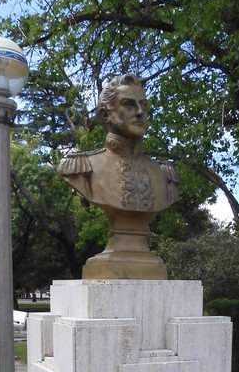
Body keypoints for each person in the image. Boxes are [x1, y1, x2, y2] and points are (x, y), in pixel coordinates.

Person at [57, 75, 179, 278]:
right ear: (106, 114)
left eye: (143, 105)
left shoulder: (164, 175)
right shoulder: (82, 168)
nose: (140, 112)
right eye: (129, 105)